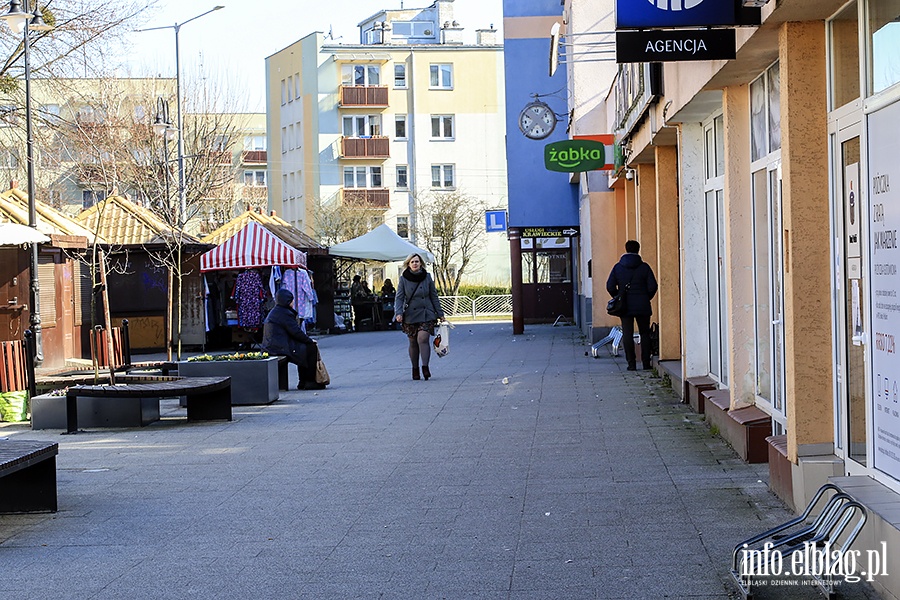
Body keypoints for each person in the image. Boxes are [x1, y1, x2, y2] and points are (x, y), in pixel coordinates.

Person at [606, 240, 658, 371]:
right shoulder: (644, 267)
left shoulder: (618, 267)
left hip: (625, 306)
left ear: (626, 249)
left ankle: (631, 363)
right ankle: (646, 363)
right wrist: (646, 297)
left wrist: (618, 297)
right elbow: (653, 286)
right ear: (638, 250)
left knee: (627, 334)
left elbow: (610, 286)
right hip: (642, 305)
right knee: (644, 333)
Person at [261, 288, 325, 390]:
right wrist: (309, 340)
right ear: (287, 301)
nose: (293, 302)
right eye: (291, 300)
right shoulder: (284, 313)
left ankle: (303, 381)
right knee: (310, 348)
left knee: (304, 348)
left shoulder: (277, 311)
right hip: (279, 348)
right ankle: (309, 381)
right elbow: (295, 332)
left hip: (274, 346)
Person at [394, 253, 444, 381]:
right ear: (408, 264)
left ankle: (425, 367)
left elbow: (434, 296)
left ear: (421, 263)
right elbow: (399, 297)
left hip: (426, 313)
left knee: (423, 338)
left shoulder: (427, 277)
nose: (415, 264)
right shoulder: (404, 279)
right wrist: (398, 313)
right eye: (412, 262)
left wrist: (440, 314)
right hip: (410, 315)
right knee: (413, 342)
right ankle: (415, 369)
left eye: (417, 261)